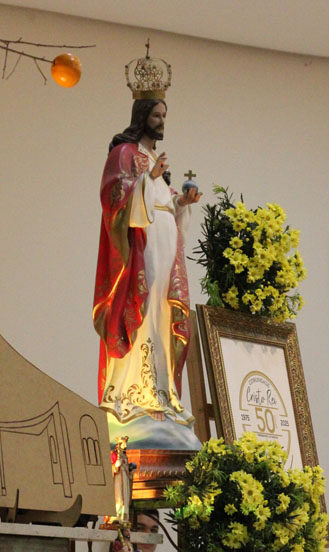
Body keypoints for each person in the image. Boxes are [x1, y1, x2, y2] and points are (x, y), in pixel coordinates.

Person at [93, 93, 201, 425]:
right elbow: (114, 197)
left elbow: (164, 202)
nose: (161, 121)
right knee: (145, 306)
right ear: (142, 117)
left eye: (164, 115)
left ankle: (163, 393)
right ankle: (134, 392)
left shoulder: (153, 158)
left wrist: (181, 203)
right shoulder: (124, 153)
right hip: (143, 246)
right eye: (156, 115)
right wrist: (149, 178)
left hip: (166, 243)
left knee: (164, 311)